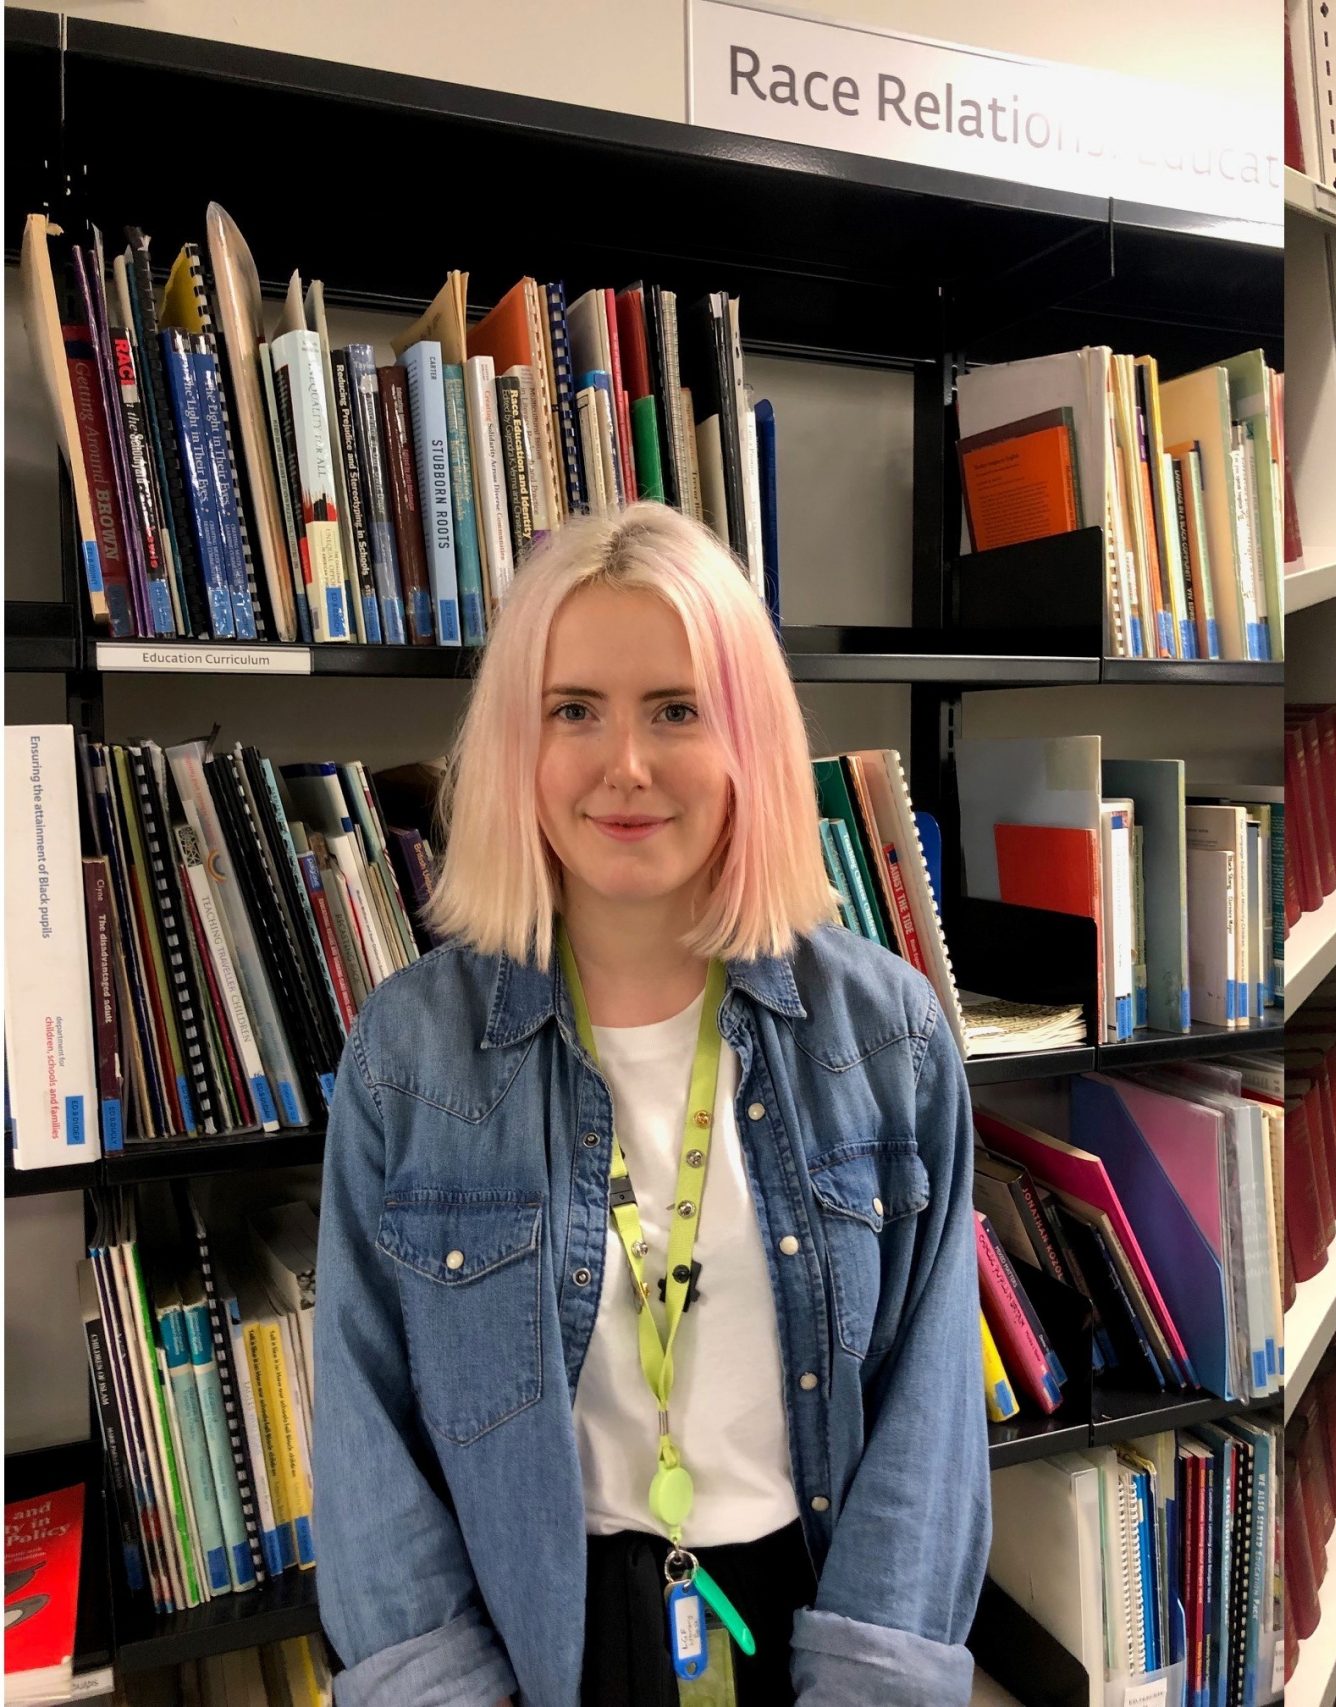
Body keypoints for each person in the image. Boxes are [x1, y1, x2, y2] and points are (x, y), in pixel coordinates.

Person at [313, 503, 989, 1707]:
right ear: (521, 739)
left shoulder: (886, 1036)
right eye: (574, 709)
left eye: (677, 709)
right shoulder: (411, 1053)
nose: (624, 764)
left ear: (751, 740)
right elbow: (366, 1428)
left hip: (810, 1624)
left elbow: (928, 1424)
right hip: (533, 1644)